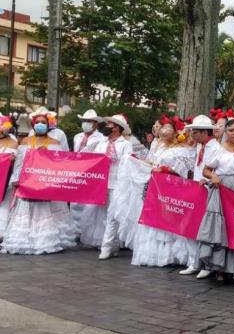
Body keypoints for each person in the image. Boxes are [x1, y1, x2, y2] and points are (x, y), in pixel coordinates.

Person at [1, 112, 76, 255]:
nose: (40, 125)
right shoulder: (25, 142)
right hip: (26, 184)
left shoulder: (55, 143)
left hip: (45, 185)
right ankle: (24, 241)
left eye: (43, 122)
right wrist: (15, 179)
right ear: (33, 125)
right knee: (26, 211)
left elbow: (59, 165)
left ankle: (45, 241)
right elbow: (19, 163)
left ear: (49, 125)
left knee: (45, 211)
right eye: (37, 122)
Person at [131, 116, 195, 267]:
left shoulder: (182, 149)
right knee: (154, 216)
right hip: (154, 186)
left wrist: (164, 169)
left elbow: (185, 169)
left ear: (175, 132)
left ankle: (172, 254)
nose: (164, 130)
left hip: (170, 187)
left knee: (169, 217)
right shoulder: (158, 145)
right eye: (163, 127)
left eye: (168, 128)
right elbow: (152, 162)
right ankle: (154, 253)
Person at [196, 118, 234, 282]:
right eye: (231, 130)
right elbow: (206, 169)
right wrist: (213, 175)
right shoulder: (219, 150)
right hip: (223, 189)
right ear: (226, 132)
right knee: (221, 227)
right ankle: (218, 267)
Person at [177, 115, 219, 274]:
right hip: (196, 189)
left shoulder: (215, 148)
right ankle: (194, 262)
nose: (192, 134)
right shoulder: (199, 146)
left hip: (208, 190)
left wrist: (206, 180)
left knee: (206, 228)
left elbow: (215, 169)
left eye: (195, 131)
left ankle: (206, 264)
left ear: (204, 132)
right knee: (191, 225)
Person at [97, 115, 134, 259]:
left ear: (117, 128)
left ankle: (105, 247)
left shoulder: (125, 144)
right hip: (101, 183)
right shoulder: (101, 144)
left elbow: (128, 163)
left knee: (112, 215)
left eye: (109, 125)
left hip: (117, 184)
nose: (106, 126)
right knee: (104, 215)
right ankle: (114, 244)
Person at [72, 109, 107, 247]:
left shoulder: (101, 139)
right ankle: (75, 230)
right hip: (76, 171)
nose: (86, 124)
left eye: (89, 121)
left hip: (91, 173)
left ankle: (86, 231)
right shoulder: (77, 137)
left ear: (96, 123)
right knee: (75, 202)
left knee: (88, 204)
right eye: (84, 121)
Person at [0, 115, 18, 239]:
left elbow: (19, 161)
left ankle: (1, 233)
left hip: (6, 179)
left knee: (4, 206)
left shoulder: (14, 142)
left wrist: (12, 160)